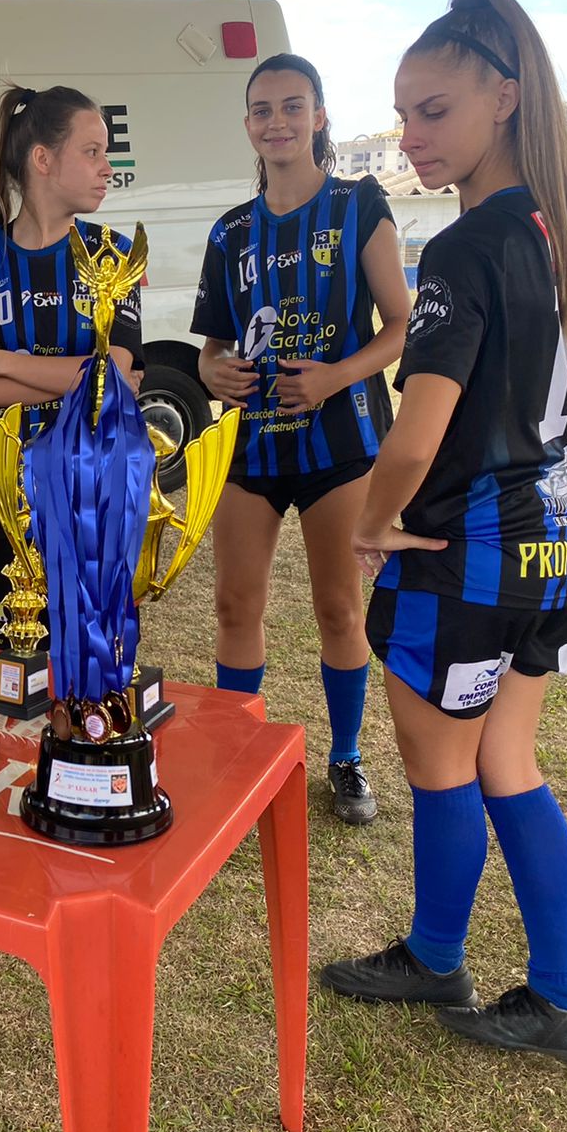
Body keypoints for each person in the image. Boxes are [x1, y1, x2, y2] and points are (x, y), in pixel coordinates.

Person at [320, 0, 567, 1068]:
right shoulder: (563, 231)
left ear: (503, 95)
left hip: (467, 553)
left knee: (444, 765)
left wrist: (370, 528)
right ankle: (556, 993)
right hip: (556, 542)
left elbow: (416, 432)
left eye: (431, 110)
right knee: (508, 764)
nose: (410, 136)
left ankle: (446, 957)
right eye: (399, 114)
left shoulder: (465, 248)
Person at [192, 53, 410, 827]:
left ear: (319, 115)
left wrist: (333, 375)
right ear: (248, 124)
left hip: (339, 444)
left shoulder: (360, 205)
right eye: (262, 109)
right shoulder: (231, 232)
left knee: (338, 610)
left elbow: (401, 326)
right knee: (233, 604)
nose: (276, 121)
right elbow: (210, 348)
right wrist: (212, 371)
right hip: (250, 449)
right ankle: (236, 760)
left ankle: (346, 759)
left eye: (292, 106)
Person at [0, 84, 143, 647]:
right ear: (43, 160)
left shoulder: (115, 254)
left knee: (93, 670)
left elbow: (119, 378)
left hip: (95, 493)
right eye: (93, 151)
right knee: (10, 679)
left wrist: (5, 362)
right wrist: (87, 377)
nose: (108, 167)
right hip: (1, 499)